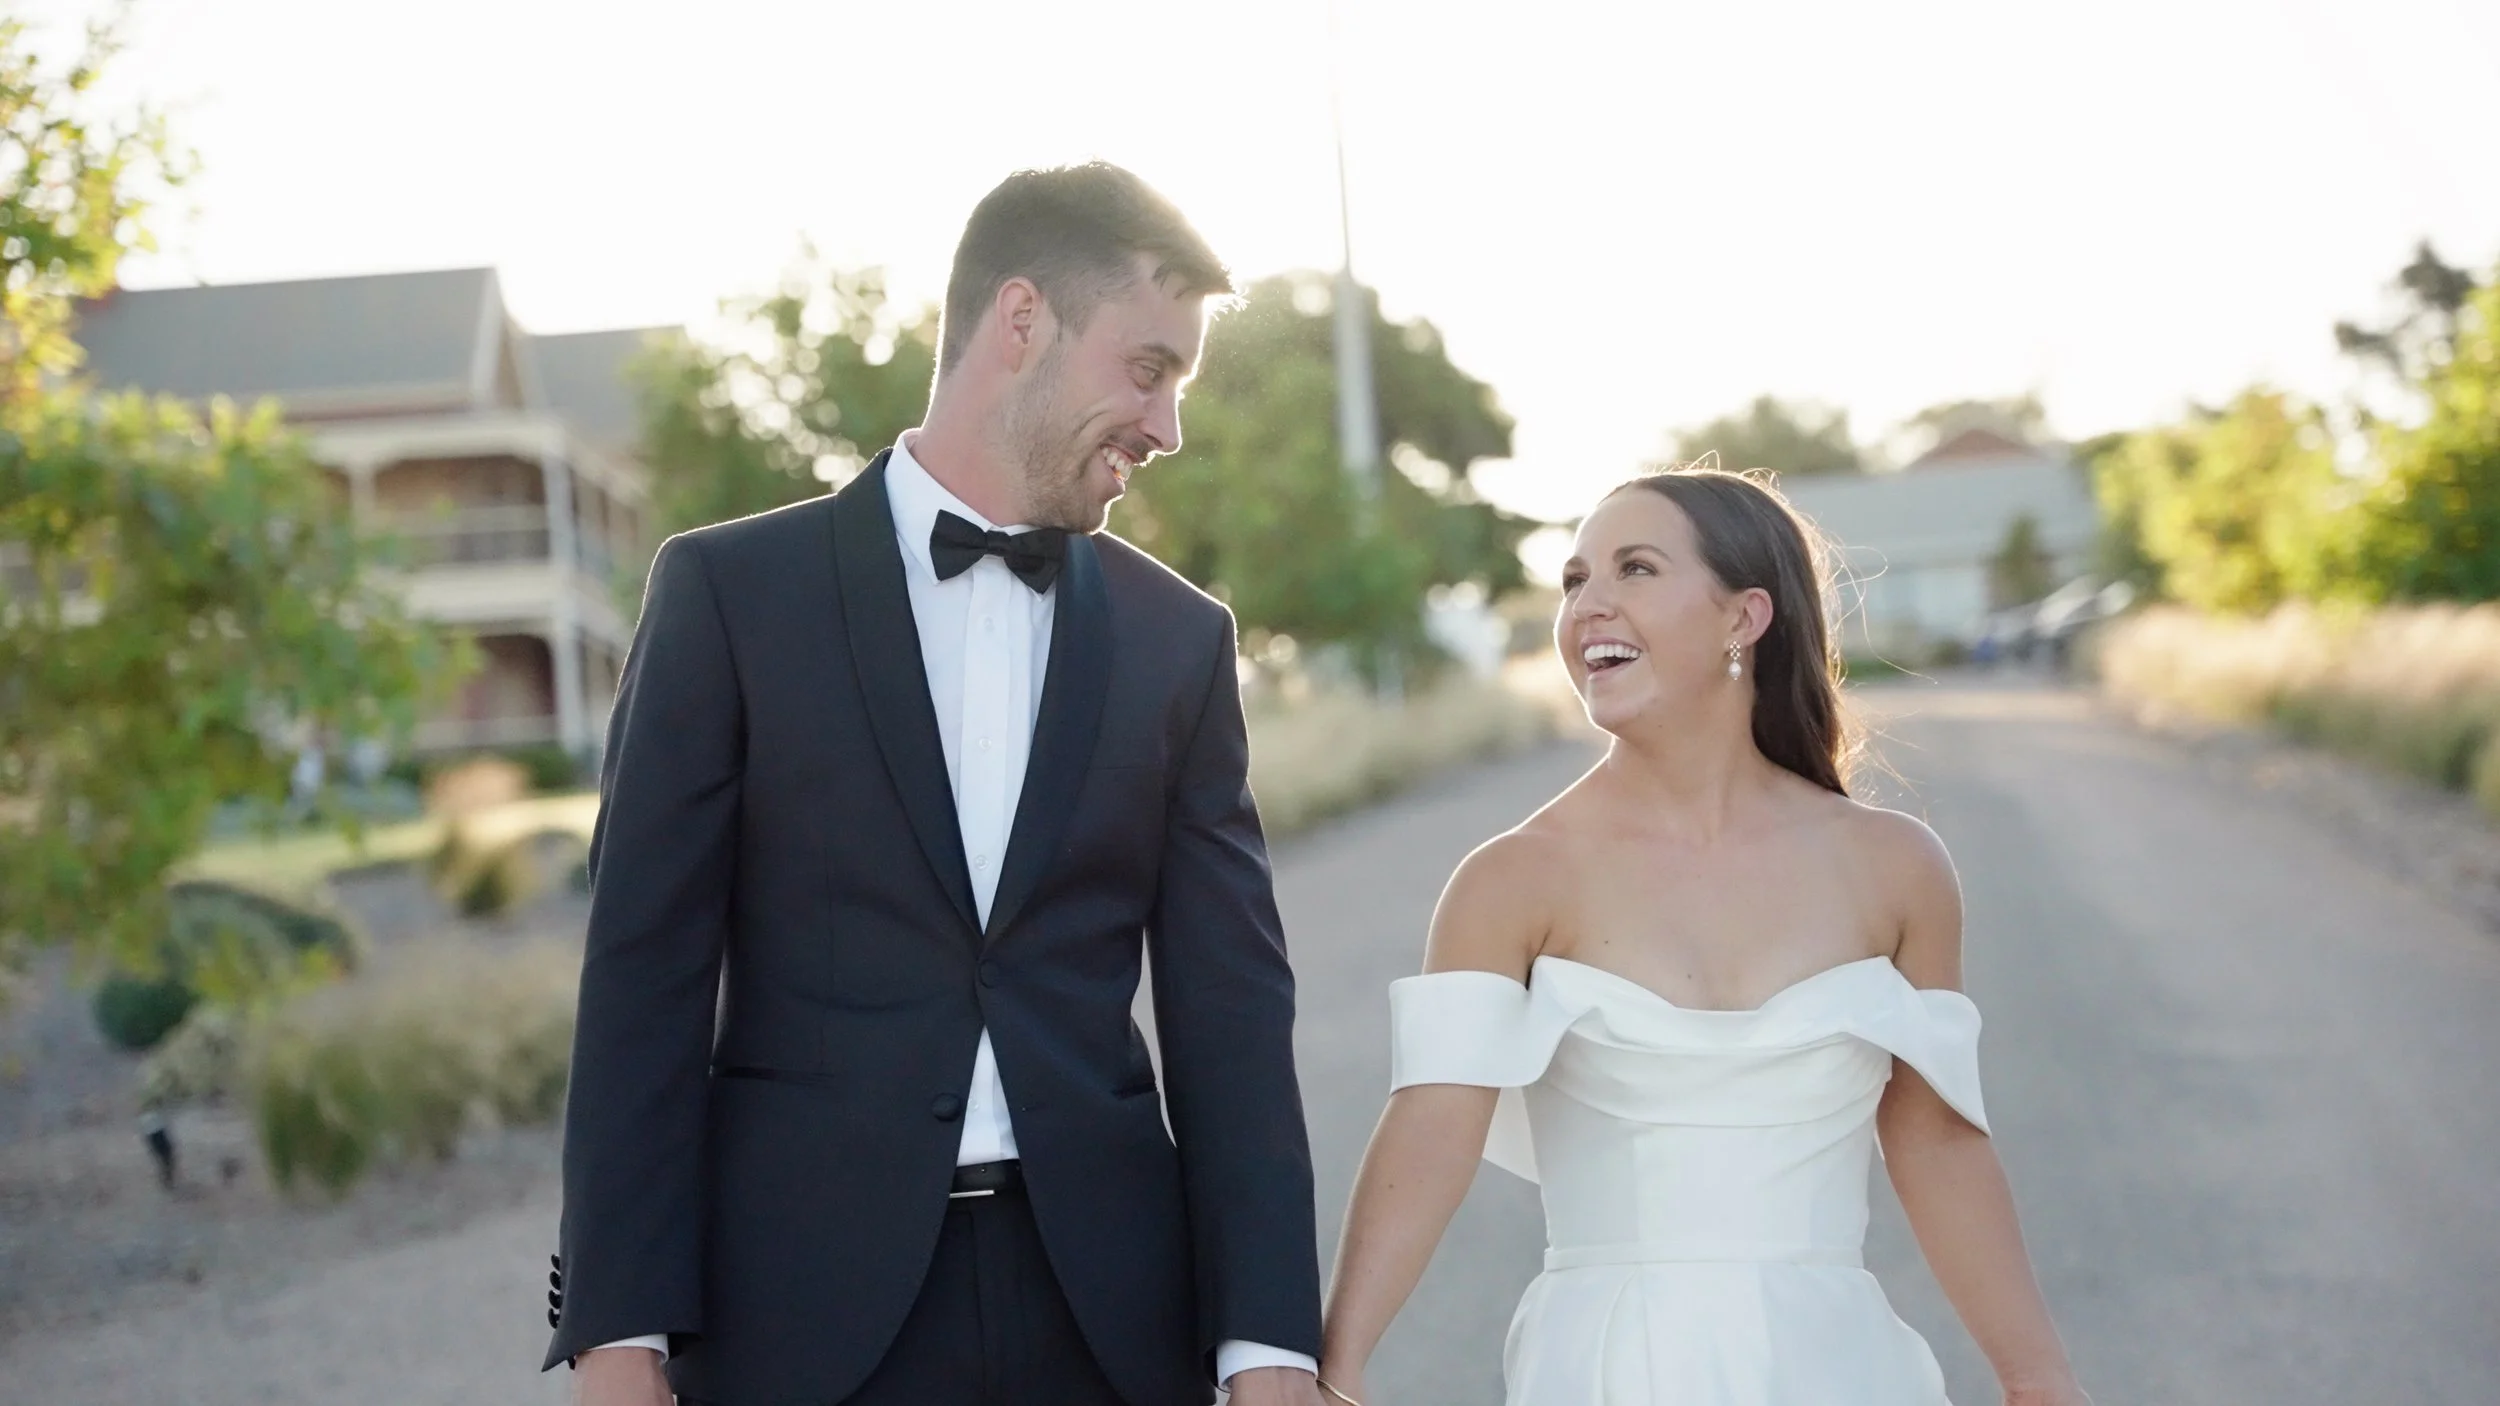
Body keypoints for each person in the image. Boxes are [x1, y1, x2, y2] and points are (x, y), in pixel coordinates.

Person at [544, 163, 1325, 1406]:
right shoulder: (731, 598)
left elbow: (1232, 1016)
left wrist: (1269, 1343)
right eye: (1147, 367)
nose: (1167, 424)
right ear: (1020, 321)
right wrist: (616, 1331)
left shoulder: (1179, 639)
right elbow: (642, 978)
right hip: (801, 1321)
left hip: (1109, 1322)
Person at [1314, 467, 2089, 1406]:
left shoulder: (1896, 867)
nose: (1588, 605)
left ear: (1744, 617)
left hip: (1839, 1366)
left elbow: (1937, 1139)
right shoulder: (1510, 879)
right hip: (1604, 1368)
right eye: (1573, 581)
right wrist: (1337, 1367)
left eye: (1634, 569)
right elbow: (1430, 1127)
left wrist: (2036, 1376)